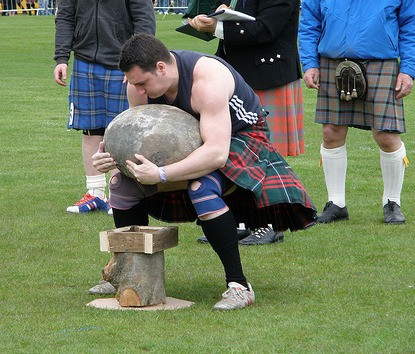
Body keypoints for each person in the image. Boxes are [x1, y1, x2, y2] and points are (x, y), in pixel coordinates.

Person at [90, 34, 316, 310]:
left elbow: (216, 153)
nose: (138, 91)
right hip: (192, 142)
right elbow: (141, 139)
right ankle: (125, 271)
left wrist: (161, 174)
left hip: (238, 137)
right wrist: (113, 159)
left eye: (142, 83)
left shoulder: (207, 81)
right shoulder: (138, 87)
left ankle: (239, 285)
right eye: (133, 83)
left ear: (161, 68)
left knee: (202, 186)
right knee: (120, 184)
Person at [188, 0, 304, 244]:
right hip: (236, 76)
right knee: (236, 154)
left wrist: (215, 28)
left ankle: (271, 224)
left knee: (268, 155)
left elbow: (264, 29)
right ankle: (241, 220)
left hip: (269, 77)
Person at [298, 0, 415, 224]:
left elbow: (411, 25)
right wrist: (310, 62)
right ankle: (336, 203)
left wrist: (408, 69)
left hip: (382, 60)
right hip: (332, 60)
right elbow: (310, 21)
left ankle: (392, 202)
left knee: (386, 135)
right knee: (331, 132)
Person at [53, 0, 156, 215]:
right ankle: (95, 192)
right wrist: (61, 57)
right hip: (84, 59)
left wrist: (137, 62)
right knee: (90, 129)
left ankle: (120, 192)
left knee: (123, 130)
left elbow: (143, 18)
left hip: (123, 62)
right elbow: (65, 17)